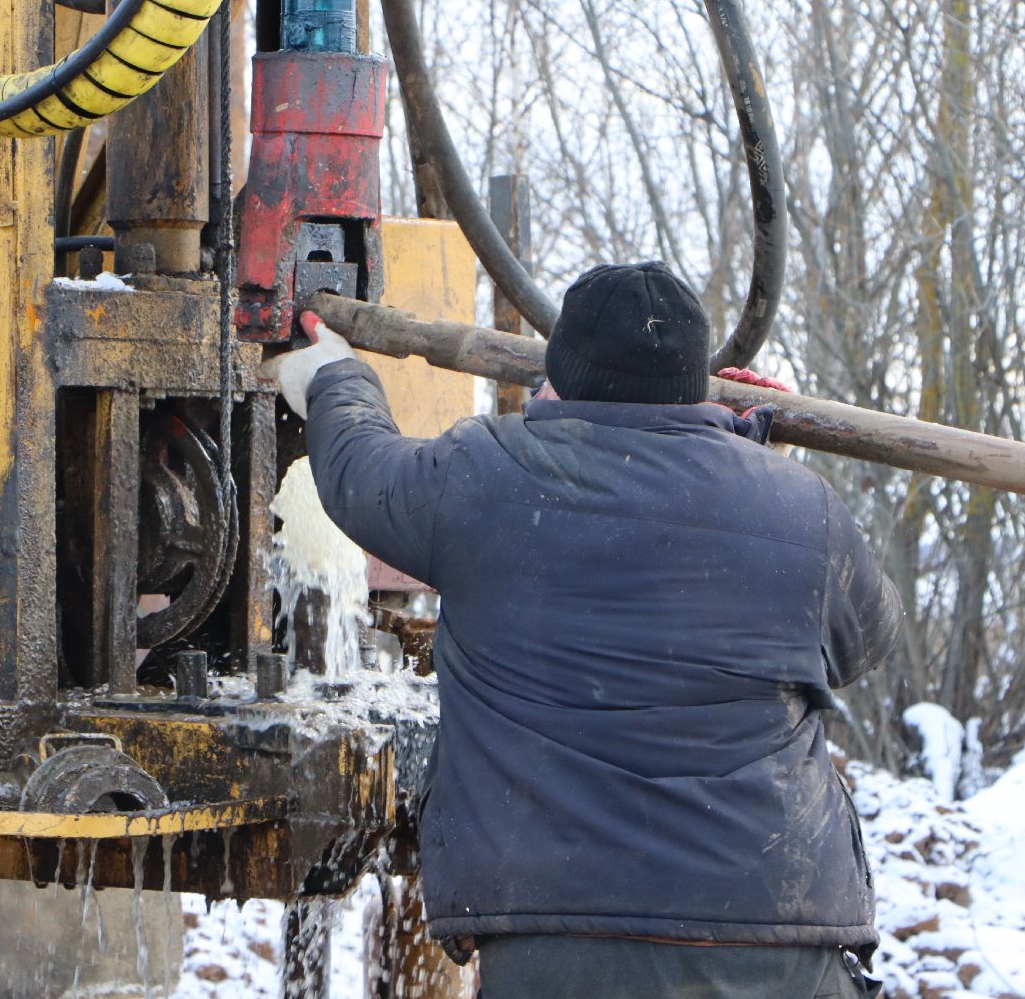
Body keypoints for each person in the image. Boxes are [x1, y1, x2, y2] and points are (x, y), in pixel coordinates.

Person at [261, 261, 900, 998]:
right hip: (774, 933)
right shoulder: (801, 510)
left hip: (561, 945)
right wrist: (755, 466)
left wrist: (337, 378)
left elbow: (360, 472)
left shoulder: (484, 477)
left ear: (558, 375)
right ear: (699, 384)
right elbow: (862, 642)